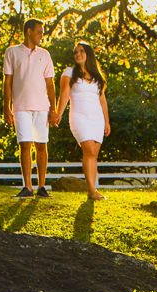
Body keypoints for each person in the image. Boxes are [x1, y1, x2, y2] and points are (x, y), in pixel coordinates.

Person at [3, 19, 57, 199]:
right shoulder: (12, 52)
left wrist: (53, 109)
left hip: (42, 108)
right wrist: (6, 108)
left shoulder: (45, 54)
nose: (42, 35)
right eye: (39, 32)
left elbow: (50, 84)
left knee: (42, 146)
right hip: (20, 107)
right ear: (29, 32)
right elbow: (7, 82)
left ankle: (41, 186)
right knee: (24, 145)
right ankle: (27, 187)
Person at [55, 41, 111, 200]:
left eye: (82, 51)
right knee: (89, 151)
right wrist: (59, 113)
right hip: (79, 117)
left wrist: (107, 122)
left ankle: (92, 190)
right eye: (76, 52)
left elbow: (103, 101)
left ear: (88, 54)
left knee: (94, 154)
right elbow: (64, 94)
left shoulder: (97, 76)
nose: (78, 54)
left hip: (97, 118)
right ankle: (92, 191)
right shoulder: (69, 72)